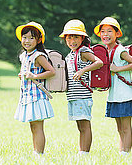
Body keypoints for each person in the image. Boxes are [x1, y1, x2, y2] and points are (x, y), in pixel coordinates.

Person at [94, 17, 132, 155]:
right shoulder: (105, 50)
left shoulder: (120, 50)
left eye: (109, 31)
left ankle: (126, 153)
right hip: (114, 95)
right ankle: (122, 152)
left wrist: (117, 69)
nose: (105, 34)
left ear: (117, 34)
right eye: (103, 31)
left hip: (125, 94)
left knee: (126, 127)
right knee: (119, 127)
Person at [60, 20, 104, 155]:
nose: (72, 40)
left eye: (75, 37)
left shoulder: (83, 51)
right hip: (73, 96)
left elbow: (99, 62)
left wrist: (83, 71)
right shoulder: (71, 54)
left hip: (82, 96)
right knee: (80, 126)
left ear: (82, 38)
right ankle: (82, 151)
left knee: (84, 125)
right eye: (69, 37)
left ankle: (84, 153)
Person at [14, 21, 56, 155]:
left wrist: (34, 75)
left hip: (37, 96)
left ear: (38, 40)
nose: (27, 41)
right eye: (24, 37)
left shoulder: (39, 55)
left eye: (31, 38)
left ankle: (39, 154)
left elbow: (51, 71)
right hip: (27, 96)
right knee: (33, 126)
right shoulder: (24, 55)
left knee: (38, 126)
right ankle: (36, 151)